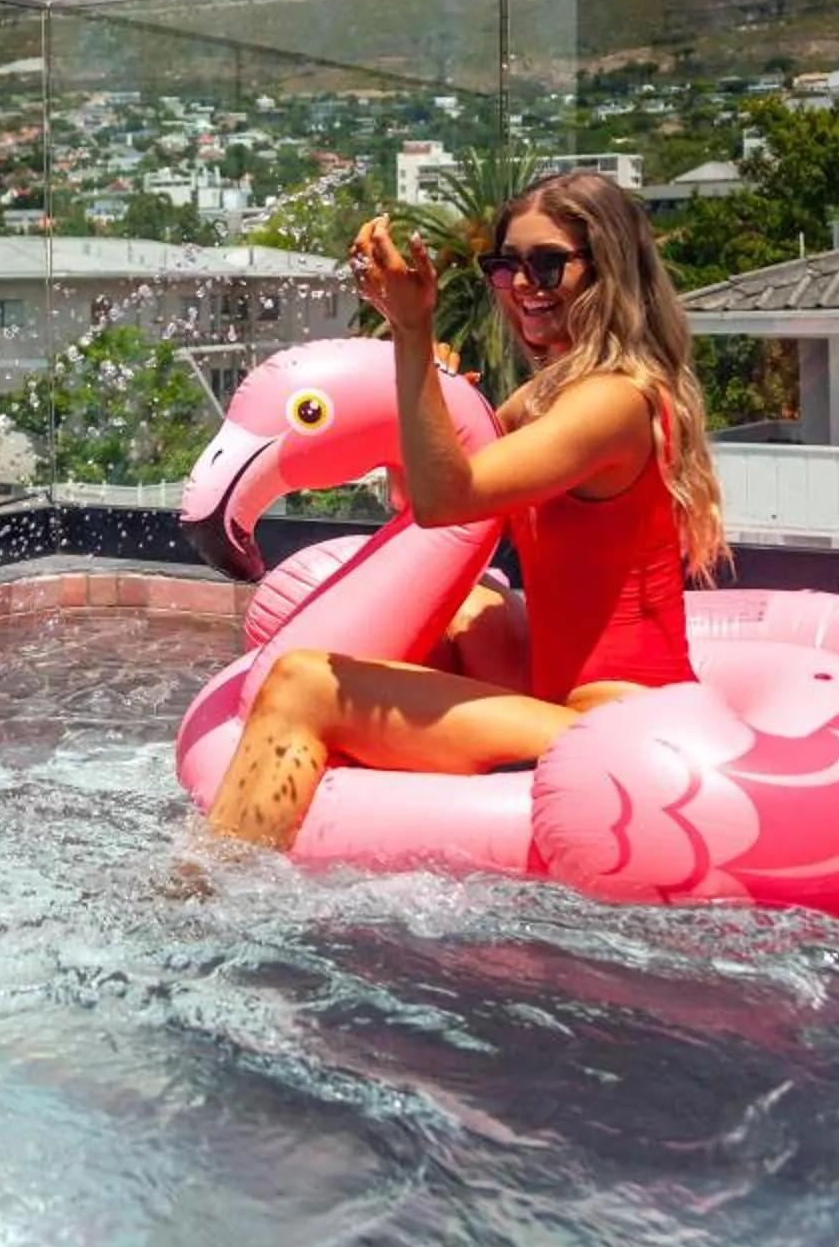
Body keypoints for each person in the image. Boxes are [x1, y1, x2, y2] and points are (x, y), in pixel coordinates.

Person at [204, 169, 727, 851]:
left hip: (625, 725)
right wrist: (437, 395)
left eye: (547, 264)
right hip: (570, 706)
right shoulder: (551, 397)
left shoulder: (614, 401)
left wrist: (413, 334)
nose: (524, 287)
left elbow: (445, 501)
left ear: (608, 268)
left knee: (301, 685)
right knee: (470, 608)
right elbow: (419, 505)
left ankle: (202, 894)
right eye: (506, 267)